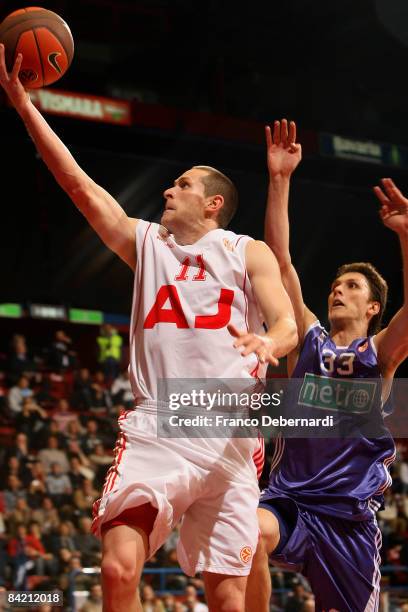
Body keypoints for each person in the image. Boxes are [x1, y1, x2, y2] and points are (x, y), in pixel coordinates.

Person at [0, 47, 298, 611]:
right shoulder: (147, 243)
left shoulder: (246, 251)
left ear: (212, 204)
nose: (167, 190)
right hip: (159, 424)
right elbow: (79, 186)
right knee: (116, 569)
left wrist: (270, 341)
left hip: (229, 438)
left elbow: (284, 321)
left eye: (181, 185)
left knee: (230, 602)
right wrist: (24, 106)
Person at [246, 120, 408, 611]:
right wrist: (279, 180)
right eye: (337, 285)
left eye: (353, 287)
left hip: (348, 522)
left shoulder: (378, 355)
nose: (339, 289)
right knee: (245, 532)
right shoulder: (307, 340)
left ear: (373, 307)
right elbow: (280, 261)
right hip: (289, 503)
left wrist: (406, 234)